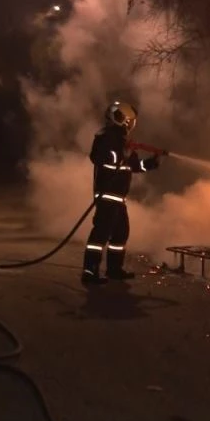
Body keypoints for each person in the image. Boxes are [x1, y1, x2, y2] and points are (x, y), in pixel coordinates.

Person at [81, 101, 160, 285]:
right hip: (107, 194)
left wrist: (149, 164)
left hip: (118, 197)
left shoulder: (124, 142)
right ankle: (89, 271)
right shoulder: (105, 137)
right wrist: (123, 153)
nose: (131, 125)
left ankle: (114, 269)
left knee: (121, 234)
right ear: (122, 120)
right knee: (100, 234)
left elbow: (133, 165)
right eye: (130, 121)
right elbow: (99, 158)